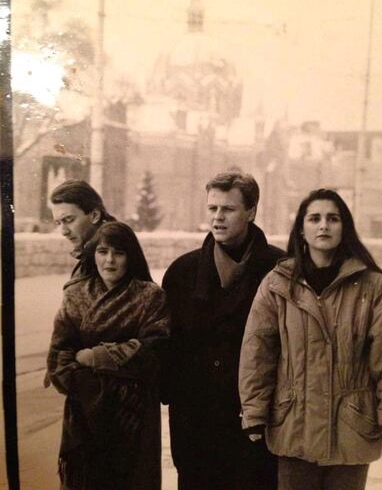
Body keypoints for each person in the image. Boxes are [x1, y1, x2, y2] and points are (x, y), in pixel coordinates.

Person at [239, 188, 382, 490]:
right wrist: (254, 411)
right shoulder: (277, 285)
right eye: (315, 218)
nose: (324, 225)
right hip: (294, 426)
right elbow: (258, 351)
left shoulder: (374, 288)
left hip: (351, 429)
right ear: (301, 229)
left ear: (344, 227)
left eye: (332, 218)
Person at [162, 171, 285, 490]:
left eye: (227, 209)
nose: (217, 217)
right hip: (196, 423)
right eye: (212, 208)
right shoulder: (182, 272)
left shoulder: (281, 269)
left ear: (252, 212)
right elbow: (168, 347)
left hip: (255, 423)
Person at [47, 222, 169, 490]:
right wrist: (96, 387)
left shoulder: (150, 296)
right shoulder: (76, 295)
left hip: (135, 417)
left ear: (131, 256)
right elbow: (58, 359)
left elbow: (154, 352)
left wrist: (94, 357)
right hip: (84, 416)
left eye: (119, 253)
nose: (110, 260)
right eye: (103, 251)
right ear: (93, 255)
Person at [50, 179, 116, 276]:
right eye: (58, 223)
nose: (63, 231)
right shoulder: (91, 255)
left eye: (69, 219)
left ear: (94, 215)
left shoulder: (112, 259)